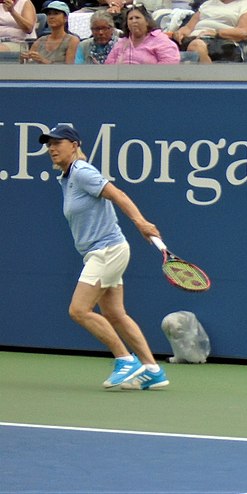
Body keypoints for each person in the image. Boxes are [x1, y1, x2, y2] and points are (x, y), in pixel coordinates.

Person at [39, 124, 169, 390]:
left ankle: (125, 360)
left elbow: (118, 194)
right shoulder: (69, 176)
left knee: (79, 310)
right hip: (102, 252)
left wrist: (141, 222)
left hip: (107, 251)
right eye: (49, 144)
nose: (51, 148)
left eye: (57, 143)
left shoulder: (82, 172)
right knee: (115, 313)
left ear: (74, 145)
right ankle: (153, 370)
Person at [174, 0, 247, 63]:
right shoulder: (207, 4)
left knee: (196, 46)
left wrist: (217, 33)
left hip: (223, 41)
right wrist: (181, 32)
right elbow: (189, 28)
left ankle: (210, 82)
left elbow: (246, 32)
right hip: (194, 38)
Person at [105, 4, 179, 64]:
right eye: (130, 19)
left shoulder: (161, 40)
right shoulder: (121, 43)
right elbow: (109, 68)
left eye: (137, 17)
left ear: (147, 21)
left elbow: (170, 65)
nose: (134, 21)